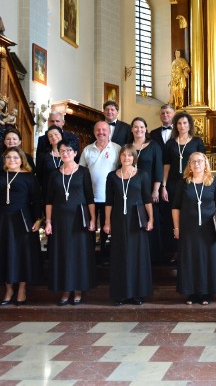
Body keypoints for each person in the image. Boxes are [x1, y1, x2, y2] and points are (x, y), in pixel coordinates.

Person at [0, 147, 42, 306]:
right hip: (2, 220)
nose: (12, 160)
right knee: (4, 252)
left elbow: (36, 200)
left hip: (22, 219)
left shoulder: (30, 178)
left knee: (22, 254)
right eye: (9, 157)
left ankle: (22, 289)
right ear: (4, 160)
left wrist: (38, 219)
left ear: (22, 160)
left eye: (16, 158)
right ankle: (9, 289)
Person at [44, 139, 96, 306]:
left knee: (78, 254)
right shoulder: (54, 174)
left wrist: (93, 219)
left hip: (79, 220)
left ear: (75, 153)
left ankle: (78, 289)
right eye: (62, 151)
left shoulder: (83, 172)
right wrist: (48, 221)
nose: (65, 153)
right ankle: (66, 289)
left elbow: (89, 198)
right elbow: (49, 200)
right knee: (63, 254)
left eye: (68, 151)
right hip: (59, 220)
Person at [172, 152, 216, 305]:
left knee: (207, 259)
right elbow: (175, 207)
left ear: (205, 164)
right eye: (194, 162)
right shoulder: (183, 182)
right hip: (188, 228)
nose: (197, 164)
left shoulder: (213, 181)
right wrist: (176, 227)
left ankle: (206, 293)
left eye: (200, 161)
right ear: (189, 165)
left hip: (209, 229)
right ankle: (191, 293)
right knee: (189, 259)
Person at [103, 145, 154, 306]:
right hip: (118, 219)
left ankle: (136, 293)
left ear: (134, 158)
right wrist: (106, 222)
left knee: (136, 256)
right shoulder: (112, 177)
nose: (126, 158)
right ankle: (121, 294)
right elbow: (109, 202)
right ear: (120, 158)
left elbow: (147, 199)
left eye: (130, 156)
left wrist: (150, 219)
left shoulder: (142, 175)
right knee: (120, 255)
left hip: (136, 220)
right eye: (124, 155)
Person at [161, 112, 206, 262]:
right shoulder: (170, 144)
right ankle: (176, 250)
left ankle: (191, 249)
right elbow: (166, 165)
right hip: (174, 183)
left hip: (191, 183)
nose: (182, 126)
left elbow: (203, 163)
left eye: (185, 123)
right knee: (174, 216)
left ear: (190, 125)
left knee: (190, 215)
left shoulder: (197, 142)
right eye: (179, 123)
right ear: (175, 126)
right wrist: (164, 185)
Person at [79, 121, 121, 266]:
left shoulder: (117, 148)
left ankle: (104, 254)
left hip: (109, 197)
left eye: (104, 130)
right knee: (90, 227)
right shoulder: (87, 149)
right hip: (89, 196)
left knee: (106, 226)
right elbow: (80, 171)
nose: (101, 132)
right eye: (98, 130)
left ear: (109, 132)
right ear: (94, 132)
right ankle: (89, 255)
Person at [130, 117, 163, 263]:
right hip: (131, 191)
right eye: (136, 127)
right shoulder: (127, 147)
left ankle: (151, 256)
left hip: (149, 190)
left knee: (150, 220)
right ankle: (137, 254)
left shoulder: (154, 145)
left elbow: (158, 169)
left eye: (141, 127)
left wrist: (156, 190)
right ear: (131, 129)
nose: (139, 130)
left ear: (146, 129)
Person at [149, 104, 176, 263]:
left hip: (175, 178)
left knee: (174, 215)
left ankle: (175, 251)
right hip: (158, 178)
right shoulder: (153, 134)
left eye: (168, 113)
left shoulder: (179, 131)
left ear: (173, 115)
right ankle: (162, 250)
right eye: (163, 113)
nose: (165, 115)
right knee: (162, 215)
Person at [36, 125, 64, 198]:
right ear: (48, 139)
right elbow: (39, 176)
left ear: (61, 135)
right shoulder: (43, 156)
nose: (53, 137)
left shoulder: (69, 154)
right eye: (50, 136)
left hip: (66, 191)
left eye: (56, 134)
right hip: (48, 193)